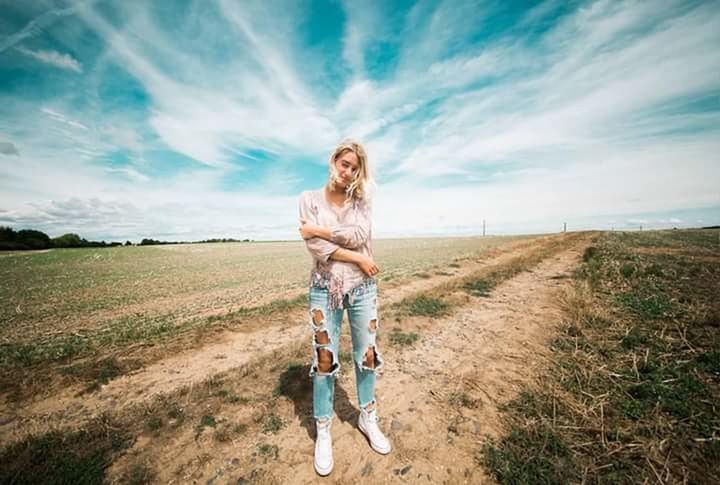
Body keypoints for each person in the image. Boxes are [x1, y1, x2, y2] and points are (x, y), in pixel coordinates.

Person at [298, 139, 391, 476]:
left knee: (367, 355)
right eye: (344, 163)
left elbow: (357, 232)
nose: (347, 171)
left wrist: (317, 229)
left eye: (354, 167)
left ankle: (368, 417)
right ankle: (323, 429)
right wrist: (358, 257)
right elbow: (316, 248)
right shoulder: (308, 199)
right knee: (324, 360)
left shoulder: (360, 200)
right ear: (333, 160)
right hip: (324, 289)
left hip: (363, 289)